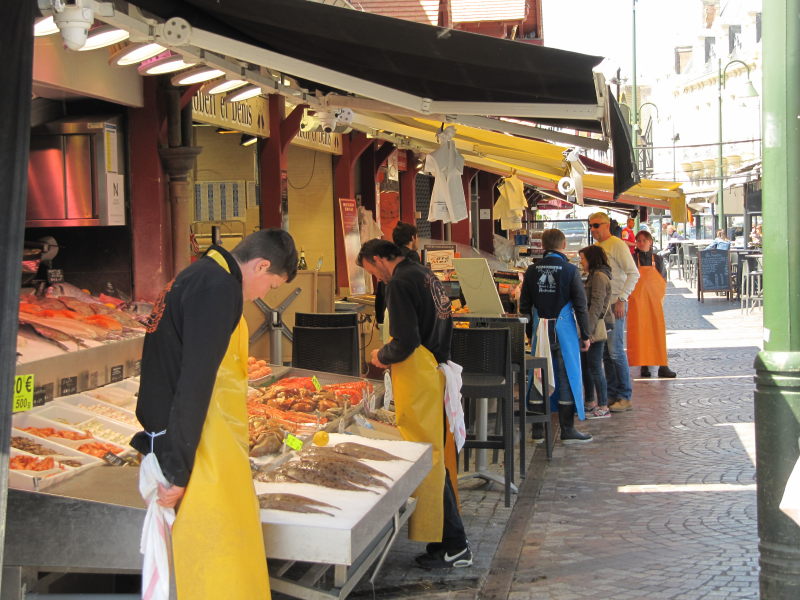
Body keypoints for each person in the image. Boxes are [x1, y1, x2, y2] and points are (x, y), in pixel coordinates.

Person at [131, 229, 298, 599]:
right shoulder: (218, 289)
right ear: (261, 265)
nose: (264, 294)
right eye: (271, 285)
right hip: (202, 446)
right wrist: (177, 469)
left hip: (201, 438)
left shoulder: (197, 275)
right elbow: (195, 382)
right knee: (217, 554)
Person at [357, 239, 471, 569]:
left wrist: (381, 355)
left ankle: (455, 543)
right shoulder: (425, 275)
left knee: (427, 460)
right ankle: (443, 542)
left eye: (373, 273)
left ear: (378, 259)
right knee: (431, 457)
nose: (377, 280)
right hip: (433, 370)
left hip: (419, 377)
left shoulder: (400, 283)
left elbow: (405, 341)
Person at [519, 228, 593, 444]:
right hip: (564, 332)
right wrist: (586, 334)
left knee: (538, 377)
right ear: (563, 246)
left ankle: (539, 431)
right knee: (566, 377)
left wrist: (529, 333)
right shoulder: (570, 271)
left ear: (543, 246)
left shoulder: (532, 270)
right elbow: (581, 305)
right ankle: (567, 429)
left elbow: (525, 305)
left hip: (540, 330)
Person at [589, 212, 640, 413]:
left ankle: (624, 395)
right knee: (607, 354)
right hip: (603, 306)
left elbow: (633, 273)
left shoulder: (617, 245)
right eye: (591, 226)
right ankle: (612, 393)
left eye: (596, 225)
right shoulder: (599, 248)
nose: (593, 229)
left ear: (607, 225)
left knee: (616, 351)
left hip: (615, 304)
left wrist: (622, 298)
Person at [628, 230, 677, 379]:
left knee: (658, 333)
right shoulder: (632, 259)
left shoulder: (658, 259)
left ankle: (663, 365)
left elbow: (663, 279)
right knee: (641, 333)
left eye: (644, 240)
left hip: (655, 302)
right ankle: (644, 365)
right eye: (639, 240)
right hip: (638, 302)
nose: (641, 243)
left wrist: (659, 296)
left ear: (650, 242)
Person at [578, 245, 614, 419]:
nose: (581, 262)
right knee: (587, 366)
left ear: (591, 259)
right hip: (591, 327)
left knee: (594, 366)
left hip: (595, 328)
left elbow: (597, 305)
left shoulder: (599, 276)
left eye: (583, 259)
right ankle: (590, 401)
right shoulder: (594, 275)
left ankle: (603, 404)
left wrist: (588, 331)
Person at [374, 222, 421, 328]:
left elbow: (381, 289)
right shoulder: (412, 256)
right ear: (413, 238)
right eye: (417, 237)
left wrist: (380, 318)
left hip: (388, 314)